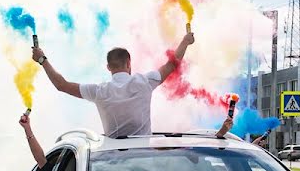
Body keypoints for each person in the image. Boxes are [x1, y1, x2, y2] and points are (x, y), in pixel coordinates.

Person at [31, 32, 195, 138]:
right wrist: (185, 41)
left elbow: (62, 85)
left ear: (108, 67)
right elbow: (172, 65)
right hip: (146, 161)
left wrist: (42, 59)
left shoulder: (99, 92)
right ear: (129, 63)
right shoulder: (145, 82)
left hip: (111, 161)